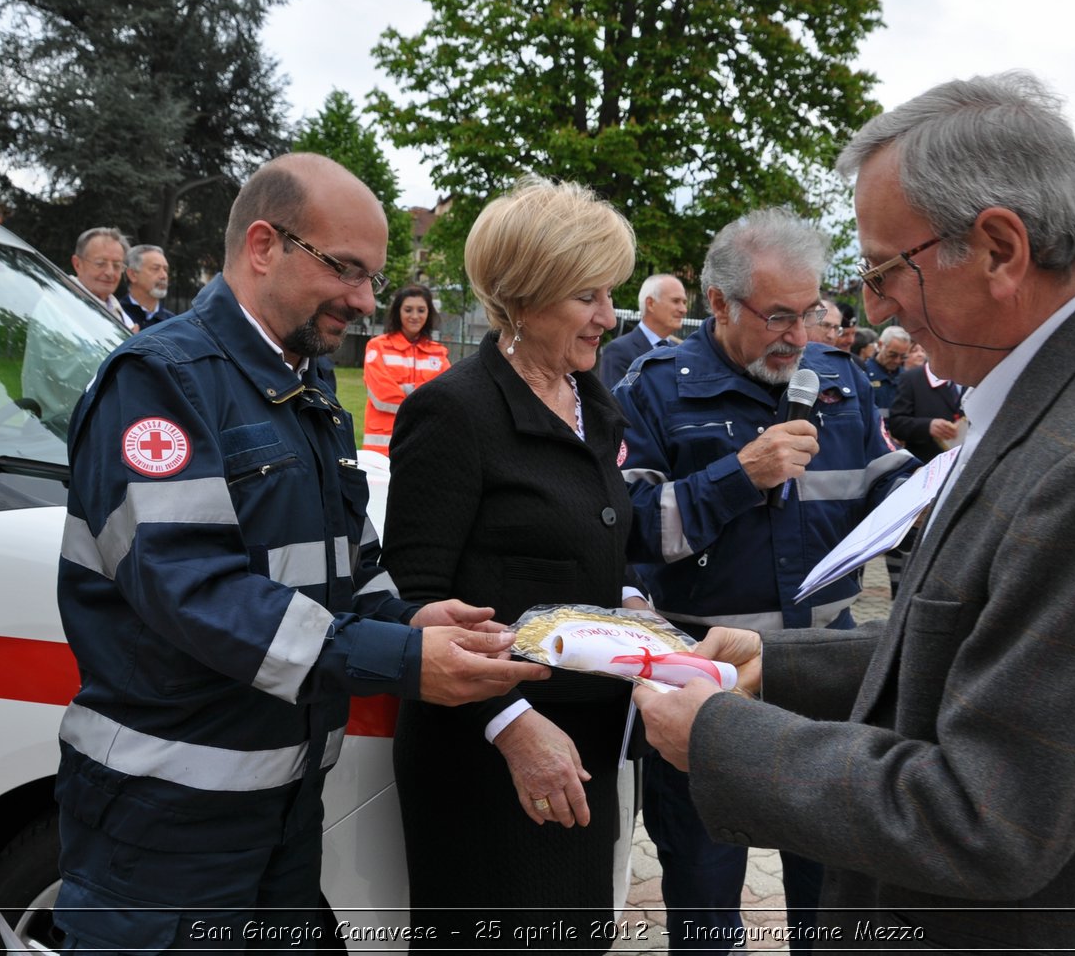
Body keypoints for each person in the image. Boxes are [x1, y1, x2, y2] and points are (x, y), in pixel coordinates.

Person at [633, 71, 1075, 952]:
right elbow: (979, 646)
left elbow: (985, 814)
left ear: (998, 248)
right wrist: (777, 661)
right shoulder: (1070, 404)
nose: (872, 307)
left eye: (887, 269)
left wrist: (723, 735)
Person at [52, 153, 549, 953]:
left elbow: (348, 562)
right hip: (168, 819)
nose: (364, 301)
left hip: (284, 806)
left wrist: (412, 614)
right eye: (346, 270)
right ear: (262, 245)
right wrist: (404, 657)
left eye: (372, 279)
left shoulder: (305, 390)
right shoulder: (161, 381)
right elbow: (196, 592)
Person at [613, 207, 917, 954]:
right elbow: (631, 532)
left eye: (810, 310)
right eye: (779, 315)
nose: (799, 335)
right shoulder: (653, 388)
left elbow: (894, 492)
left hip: (825, 694)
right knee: (707, 907)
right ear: (717, 301)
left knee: (832, 906)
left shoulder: (843, 381)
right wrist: (737, 476)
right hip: (706, 692)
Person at [382, 176, 638, 951]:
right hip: (489, 757)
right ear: (525, 297)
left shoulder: (590, 398)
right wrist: (512, 723)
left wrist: (630, 604)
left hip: (587, 738)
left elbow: (573, 548)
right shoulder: (455, 411)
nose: (608, 314)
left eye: (611, 291)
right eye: (587, 294)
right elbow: (413, 600)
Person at [360, 284, 450, 455]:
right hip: (382, 449)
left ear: (429, 313)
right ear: (398, 312)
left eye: (421, 310)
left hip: (425, 445)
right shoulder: (378, 347)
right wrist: (424, 394)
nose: (415, 316)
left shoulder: (438, 353)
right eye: (408, 309)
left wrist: (404, 389)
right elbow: (381, 395)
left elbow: (447, 397)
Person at [598, 272, 688, 388]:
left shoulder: (681, 351)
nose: (683, 309)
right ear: (650, 304)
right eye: (676, 301)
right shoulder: (619, 351)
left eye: (684, 302)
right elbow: (615, 403)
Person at [886, 357, 965, 463]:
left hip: (965, 460)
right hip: (927, 463)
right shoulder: (912, 378)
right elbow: (896, 425)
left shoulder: (972, 377)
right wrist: (928, 426)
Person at [69, 226, 139, 332]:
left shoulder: (118, 312)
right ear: (78, 264)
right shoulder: (57, 301)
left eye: (116, 266)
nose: (110, 273)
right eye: (100, 264)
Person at [118, 243, 177, 329]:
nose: (164, 276)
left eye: (165, 269)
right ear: (132, 275)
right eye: (156, 268)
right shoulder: (116, 315)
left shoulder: (173, 324)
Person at [861, 324, 911, 419]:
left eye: (903, 357)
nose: (897, 361)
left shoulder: (906, 377)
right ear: (880, 345)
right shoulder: (863, 373)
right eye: (892, 355)